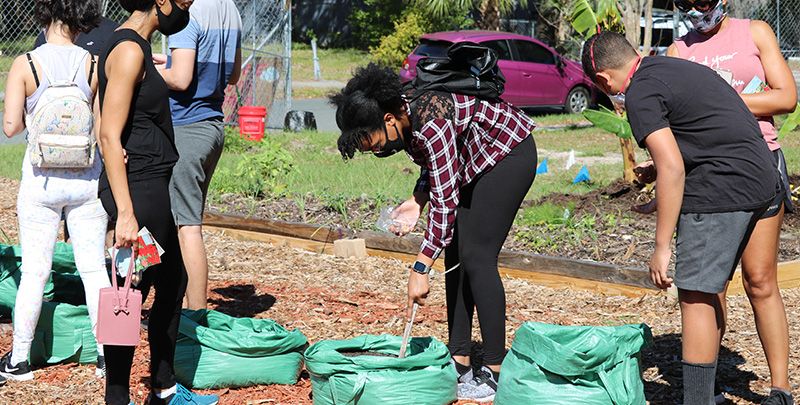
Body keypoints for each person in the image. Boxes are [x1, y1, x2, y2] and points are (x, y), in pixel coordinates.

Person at [582, 31, 780, 404]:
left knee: (695, 294)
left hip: (724, 186)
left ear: (605, 81)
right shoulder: (671, 67)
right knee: (743, 286)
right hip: (764, 177)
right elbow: (704, 134)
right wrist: (661, 191)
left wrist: (660, 247)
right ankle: (775, 391)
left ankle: (698, 400)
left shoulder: (639, 92)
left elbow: (672, 166)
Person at [330, 63, 537, 402]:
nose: (376, 150)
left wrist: (420, 267)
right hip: (474, 162)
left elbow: (446, 200)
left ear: (388, 120)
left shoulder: (430, 121)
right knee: (456, 254)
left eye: (373, 142)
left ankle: (498, 372)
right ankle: (460, 361)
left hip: (508, 154)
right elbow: (435, 165)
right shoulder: (405, 115)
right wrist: (416, 200)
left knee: (477, 256)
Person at [667, 2, 797, 404]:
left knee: (760, 281)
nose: (697, 10)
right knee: (711, 287)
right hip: (708, 174)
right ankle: (708, 390)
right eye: (686, 3)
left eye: (703, 2)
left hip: (760, 163)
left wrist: (718, 101)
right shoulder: (679, 51)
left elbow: (786, 96)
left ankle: (780, 388)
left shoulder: (754, 31)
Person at [97, 0, 217, 403]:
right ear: (160, 2)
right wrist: (126, 213)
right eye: (183, 3)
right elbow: (108, 135)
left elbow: (102, 115)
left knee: (170, 282)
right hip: (141, 191)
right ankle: (120, 396)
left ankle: (162, 389)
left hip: (151, 183)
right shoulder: (129, 50)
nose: (186, 11)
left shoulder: (133, 46)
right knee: (129, 292)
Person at [0, 0, 111, 382]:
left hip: (41, 180)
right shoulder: (93, 64)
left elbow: (11, 127)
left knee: (34, 272)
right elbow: (98, 125)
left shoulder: (26, 64)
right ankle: (107, 358)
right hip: (85, 179)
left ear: (44, 14)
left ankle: (19, 361)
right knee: (95, 269)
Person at [155, 0, 242, 310]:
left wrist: (139, 64)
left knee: (187, 227)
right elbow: (232, 74)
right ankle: (176, 301)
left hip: (184, 129)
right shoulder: (229, 7)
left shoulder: (184, 9)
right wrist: (168, 60)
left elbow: (180, 79)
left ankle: (195, 315)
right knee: (173, 220)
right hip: (212, 127)